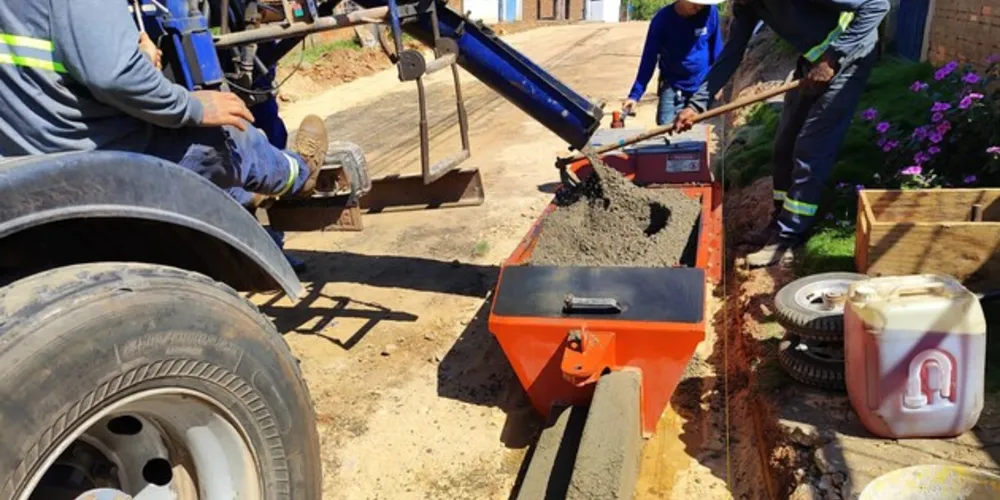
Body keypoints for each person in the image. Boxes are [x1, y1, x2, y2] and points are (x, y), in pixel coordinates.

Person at [0, 0, 328, 209]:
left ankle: (241, 196)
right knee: (230, 135)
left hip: (22, 160)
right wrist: (192, 106)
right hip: (93, 158)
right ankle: (298, 175)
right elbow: (113, 75)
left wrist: (135, 59)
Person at [674, 0, 889, 268]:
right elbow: (732, 53)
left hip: (850, 58)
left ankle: (788, 237)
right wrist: (697, 104)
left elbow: (877, 5)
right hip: (811, 61)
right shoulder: (746, 6)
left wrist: (833, 56)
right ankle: (779, 219)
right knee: (784, 146)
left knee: (811, 148)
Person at [622, 0, 724, 126]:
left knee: (698, 135)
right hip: (673, 86)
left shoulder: (710, 12)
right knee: (666, 130)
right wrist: (635, 95)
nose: (699, 7)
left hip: (702, 87)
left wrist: (718, 83)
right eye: (695, 2)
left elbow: (717, 49)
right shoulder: (662, 21)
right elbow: (649, 58)